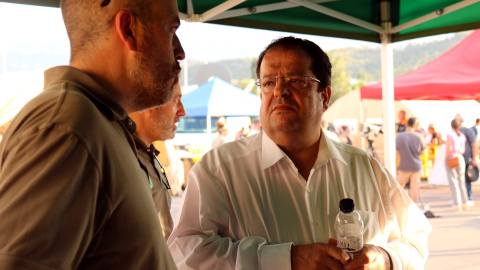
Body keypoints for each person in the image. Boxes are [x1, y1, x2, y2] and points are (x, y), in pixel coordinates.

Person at [168, 37, 431, 270]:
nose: (280, 91)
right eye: (269, 82)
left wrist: (384, 258)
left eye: (296, 81)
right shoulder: (218, 170)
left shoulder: (365, 168)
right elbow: (183, 253)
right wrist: (285, 260)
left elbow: (416, 238)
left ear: (325, 97)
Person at [0, 0, 184, 269]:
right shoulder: (66, 129)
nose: (180, 52)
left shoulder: (97, 122)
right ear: (129, 29)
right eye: (171, 30)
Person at [129, 82, 186, 239]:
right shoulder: (122, 158)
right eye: (176, 101)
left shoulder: (149, 154)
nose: (182, 112)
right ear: (150, 104)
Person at [396, 117, 426, 203]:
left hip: (404, 165)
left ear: (406, 124)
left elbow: (396, 153)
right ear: (415, 125)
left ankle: (399, 205)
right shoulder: (419, 137)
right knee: (414, 188)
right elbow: (422, 153)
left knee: (399, 187)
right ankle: (413, 207)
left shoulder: (400, 136)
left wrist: (396, 166)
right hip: (416, 166)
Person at [445, 119, 469, 211]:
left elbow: (449, 148)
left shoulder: (450, 135)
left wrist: (445, 158)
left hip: (452, 158)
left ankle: (456, 203)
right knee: (461, 181)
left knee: (453, 181)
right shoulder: (461, 135)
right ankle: (464, 201)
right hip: (460, 158)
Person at [454, 114, 477, 205]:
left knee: (467, 178)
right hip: (456, 159)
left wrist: (474, 158)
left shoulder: (467, 131)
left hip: (466, 158)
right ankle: (460, 198)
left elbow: (474, 144)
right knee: (457, 178)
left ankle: (467, 197)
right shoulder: (454, 132)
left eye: (457, 119)